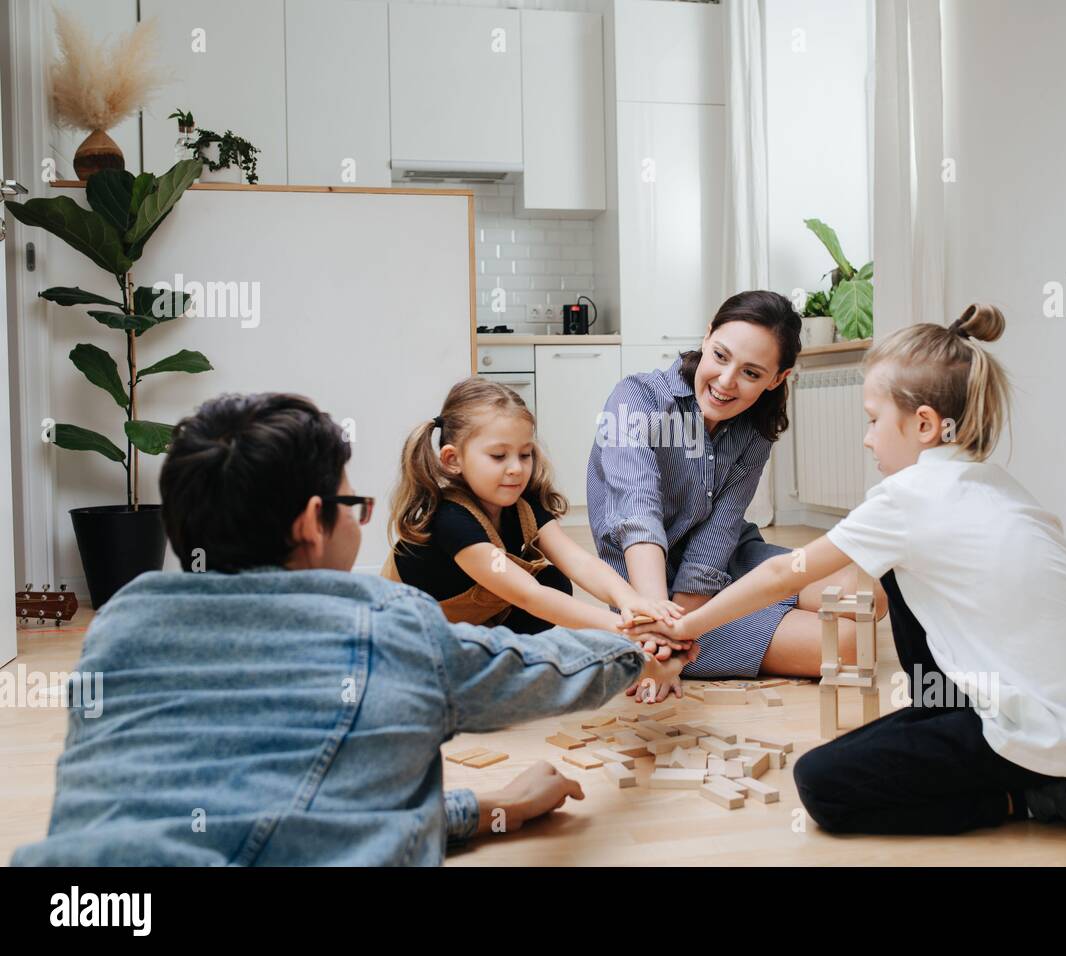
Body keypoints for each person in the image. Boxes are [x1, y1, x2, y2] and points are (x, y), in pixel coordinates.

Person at [11, 392, 681, 866]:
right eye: (352, 505)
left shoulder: (120, 622)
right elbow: (543, 671)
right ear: (310, 523)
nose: (363, 520)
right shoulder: (390, 628)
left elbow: (267, 806)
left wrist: (492, 807)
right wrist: (638, 652)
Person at [625, 305, 1066, 833]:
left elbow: (784, 575)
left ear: (925, 424)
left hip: (1033, 732)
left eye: (873, 420)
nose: (867, 438)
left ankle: (1029, 799)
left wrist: (683, 626)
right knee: (889, 569)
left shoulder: (909, 498)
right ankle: (952, 721)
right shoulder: (990, 482)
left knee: (821, 782)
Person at [587, 290, 886, 683]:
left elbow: (720, 531)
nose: (725, 382)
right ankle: (720, 631)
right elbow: (637, 512)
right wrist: (659, 623)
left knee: (869, 593)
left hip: (729, 562)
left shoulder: (755, 428)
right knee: (848, 644)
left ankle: (744, 624)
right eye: (720, 356)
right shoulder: (636, 399)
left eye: (751, 373)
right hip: (645, 583)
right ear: (707, 336)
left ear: (778, 378)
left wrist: (686, 626)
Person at [384, 378, 683, 701]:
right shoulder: (451, 520)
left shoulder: (521, 504)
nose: (516, 469)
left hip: (466, 626)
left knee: (555, 582)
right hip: (408, 637)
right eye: (499, 456)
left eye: (525, 454)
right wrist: (626, 631)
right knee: (539, 593)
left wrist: (632, 601)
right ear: (452, 460)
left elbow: (577, 561)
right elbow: (528, 596)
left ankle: (486, 665)